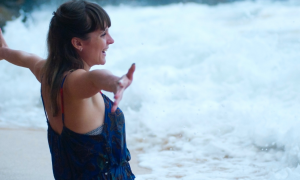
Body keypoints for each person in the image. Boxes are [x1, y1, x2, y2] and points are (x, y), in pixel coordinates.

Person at [0, 1, 136, 179]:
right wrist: (117, 82)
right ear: (78, 43)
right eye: (103, 34)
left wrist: (4, 52)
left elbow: (25, 58)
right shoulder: (75, 83)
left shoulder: (47, 72)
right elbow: (97, 78)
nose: (111, 40)